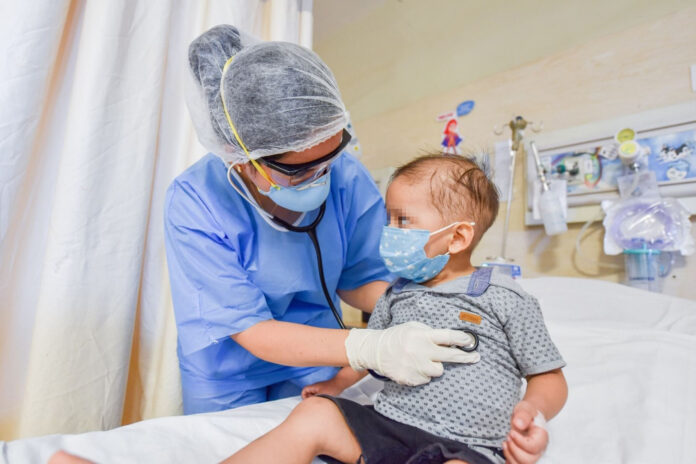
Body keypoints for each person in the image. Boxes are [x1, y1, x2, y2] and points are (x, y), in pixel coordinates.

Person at [164, 25, 481, 414]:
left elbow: (361, 279)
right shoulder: (195, 200)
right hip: (229, 372)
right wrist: (370, 347)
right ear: (240, 157)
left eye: (330, 158)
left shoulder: (347, 176)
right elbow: (252, 330)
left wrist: (418, 306)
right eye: (299, 171)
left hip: (318, 356)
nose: (322, 177)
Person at [224, 154, 568, 464]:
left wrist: (533, 410)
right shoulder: (396, 293)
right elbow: (371, 351)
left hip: (469, 444)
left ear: (457, 237)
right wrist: (336, 384)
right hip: (389, 425)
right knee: (315, 414)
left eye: (403, 220)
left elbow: (547, 375)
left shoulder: (504, 297)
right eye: (389, 220)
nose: (390, 232)